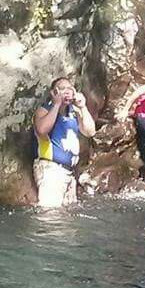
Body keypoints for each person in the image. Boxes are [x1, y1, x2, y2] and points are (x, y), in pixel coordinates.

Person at [33, 77, 96, 208]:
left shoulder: (74, 112)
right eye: (62, 89)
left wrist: (83, 107)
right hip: (52, 170)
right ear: (53, 92)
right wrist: (56, 104)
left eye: (69, 89)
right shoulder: (44, 110)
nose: (66, 92)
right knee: (50, 214)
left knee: (67, 219)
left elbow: (90, 132)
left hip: (70, 172)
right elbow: (42, 130)